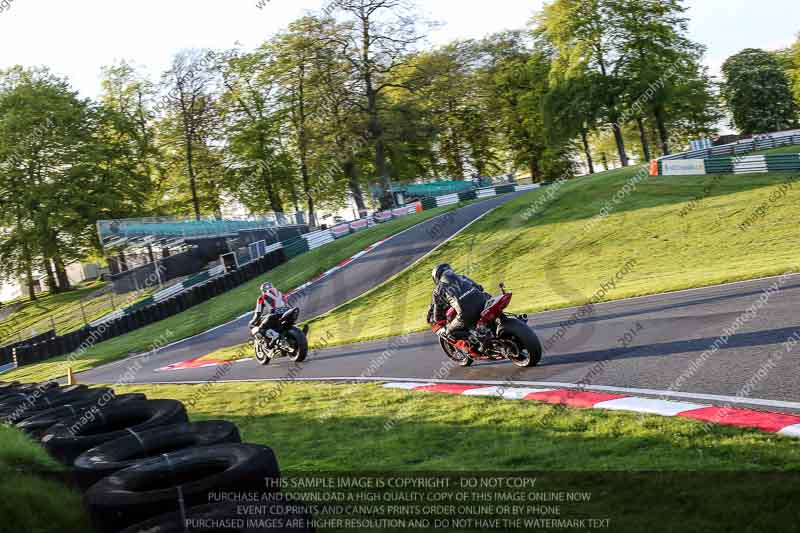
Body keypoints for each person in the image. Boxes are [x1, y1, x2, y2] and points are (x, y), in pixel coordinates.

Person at [427, 263, 488, 351]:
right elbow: (479, 288)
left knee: (449, 332)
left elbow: (438, 311)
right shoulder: (462, 277)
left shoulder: (438, 290)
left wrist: (438, 320)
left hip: (466, 313)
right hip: (483, 301)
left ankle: (479, 339)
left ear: (436, 277)